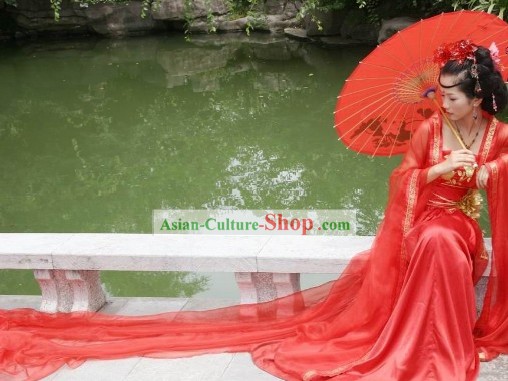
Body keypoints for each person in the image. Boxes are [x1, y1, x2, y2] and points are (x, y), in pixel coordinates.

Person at [1, 40, 508, 381]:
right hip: (421, 218)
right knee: (430, 240)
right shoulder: (426, 132)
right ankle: (428, 344)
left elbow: (502, 177)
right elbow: (402, 182)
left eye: (452, 96)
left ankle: (441, 342)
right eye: (439, 95)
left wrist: (488, 174)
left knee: (444, 241)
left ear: (477, 95)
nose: (442, 104)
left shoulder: (496, 134)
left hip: (460, 222)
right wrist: (435, 173)